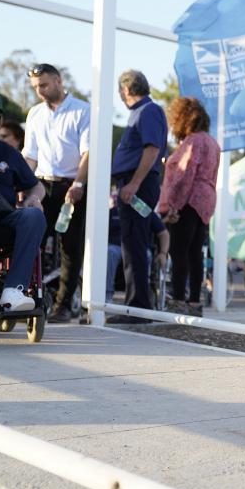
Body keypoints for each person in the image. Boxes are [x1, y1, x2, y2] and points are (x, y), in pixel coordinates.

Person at [24, 62, 91, 322]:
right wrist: (23, 185)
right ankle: (29, 299)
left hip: (71, 186)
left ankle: (62, 306)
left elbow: (88, 152)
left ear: (58, 81)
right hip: (41, 184)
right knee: (32, 240)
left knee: (70, 248)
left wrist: (79, 185)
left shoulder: (82, 110)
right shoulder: (35, 114)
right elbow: (29, 155)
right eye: (35, 87)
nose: (39, 91)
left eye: (43, 85)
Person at [0, 89, 46, 315]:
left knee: (34, 215)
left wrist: (34, 198)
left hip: (3, 218)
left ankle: (14, 291)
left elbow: (36, 185)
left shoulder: (8, 153)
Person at [107, 70, 167, 324]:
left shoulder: (148, 111)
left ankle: (138, 307)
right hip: (132, 184)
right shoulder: (142, 112)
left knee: (134, 247)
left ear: (126, 90)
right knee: (131, 245)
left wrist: (133, 183)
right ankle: (136, 303)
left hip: (137, 185)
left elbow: (152, 149)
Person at [158, 97, 219, 315]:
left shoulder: (193, 142)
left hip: (189, 199)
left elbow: (184, 175)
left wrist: (173, 204)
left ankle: (177, 299)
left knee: (179, 250)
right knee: (195, 253)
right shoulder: (213, 143)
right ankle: (194, 301)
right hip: (206, 201)